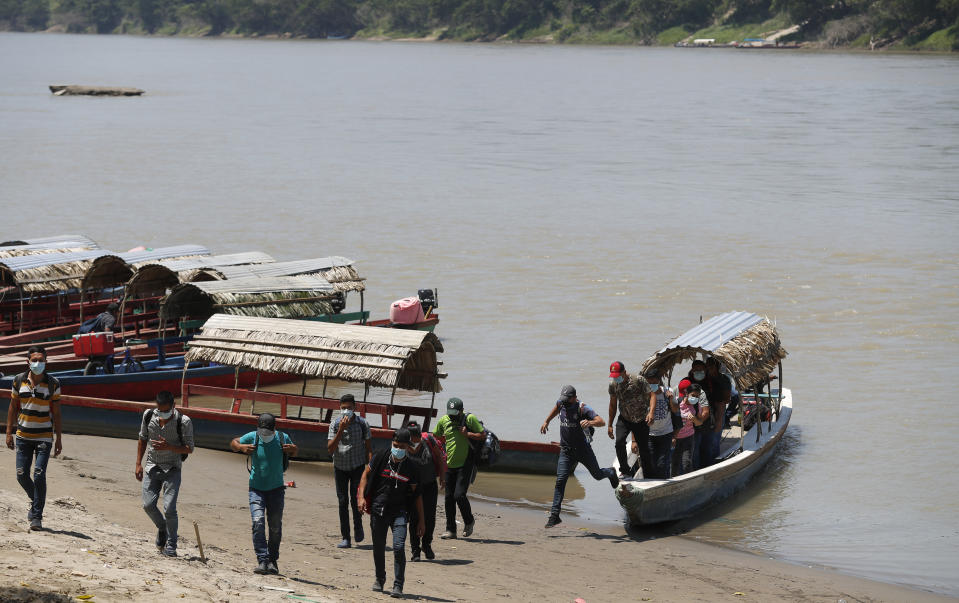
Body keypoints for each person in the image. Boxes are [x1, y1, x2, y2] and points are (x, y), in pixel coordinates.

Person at [358, 428, 425, 598]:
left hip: (399, 513)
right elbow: (365, 475)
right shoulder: (381, 457)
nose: (397, 449)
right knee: (379, 548)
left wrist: (421, 521)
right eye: (395, 445)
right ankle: (380, 579)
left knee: (398, 546)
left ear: (408, 447)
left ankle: (398, 585)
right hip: (378, 510)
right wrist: (361, 497)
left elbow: (417, 497)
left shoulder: (411, 468)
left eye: (401, 446)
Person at [540, 385, 618, 528]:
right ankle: (554, 515)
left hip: (583, 450)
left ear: (574, 398)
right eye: (563, 399)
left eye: (567, 400)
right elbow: (556, 408)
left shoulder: (582, 408)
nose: (564, 402)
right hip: (566, 451)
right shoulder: (561, 403)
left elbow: (601, 421)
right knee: (560, 481)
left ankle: (611, 472)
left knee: (598, 475)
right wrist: (547, 421)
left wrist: (590, 422)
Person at [231, 413, 298, 575]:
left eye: (268, 432)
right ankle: (262, 560)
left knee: (275, 527)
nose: (264, 435)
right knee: (258, 522)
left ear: (274, 429)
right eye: (262, 432)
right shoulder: (253, 437)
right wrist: (240, 447)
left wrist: (294, 449)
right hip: (256, 489)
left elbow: (294, 451)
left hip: (276, 489)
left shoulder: (282, 437)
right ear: (258, 429)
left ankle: (273, 561)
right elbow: (233, 442)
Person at [5, 345, 62, 531]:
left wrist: (59, 438)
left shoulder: (53, 383)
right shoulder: (18, 381)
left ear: (46, 361)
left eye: (41, 360)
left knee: (39, 474)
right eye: (34, 360)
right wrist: (8, 432)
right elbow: (13, 407)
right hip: (22, 435)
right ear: (28, 362)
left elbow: (57, 413)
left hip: (44, 436)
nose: (38, 363)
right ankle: (35, 499)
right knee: (21, 475)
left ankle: (37, 516)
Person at [135, 390, 194, 556]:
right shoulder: (148, 416)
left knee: (169, 508)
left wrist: (169, 447)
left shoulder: (183, 421)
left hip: (173, 468)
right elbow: (142, 438)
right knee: (148, 505)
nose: (163, 414)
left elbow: (189, 448)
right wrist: (138, 464)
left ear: (174, 406)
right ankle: (162, 528)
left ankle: (171, 546)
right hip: (152, 466)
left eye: (166, 410)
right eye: (160, 410)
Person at [432, 397, 485, 539]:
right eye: (450, 413)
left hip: (465, 463)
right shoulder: (444, 420)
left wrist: (467, 434)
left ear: (461, 411)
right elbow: (435, 436)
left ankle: (469, 521)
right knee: (449, 498)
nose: (452, 416)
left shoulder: (470, 419)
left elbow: (482, 435)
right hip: (449, 463)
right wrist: (441, 448)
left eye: (455, 413)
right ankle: (451, 530)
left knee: (459, 495)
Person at [327, 393, 372, 549]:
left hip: (357, 466)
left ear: (355, 408)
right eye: (343, 408)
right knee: (342, 502)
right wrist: (341, 430)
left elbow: (368, 448)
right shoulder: (334, 424)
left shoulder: (362, 424)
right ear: (340, 408)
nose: (346, 411)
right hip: (340, 467)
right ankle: (346, 537)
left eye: (349, 408)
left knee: (355, 499)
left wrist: (369, 468)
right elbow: (330, 449)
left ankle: (358, 527)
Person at [405, 420, 445, 561]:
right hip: (412, 487)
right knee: (414, 517)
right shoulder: (403, 444)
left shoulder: (429, 440)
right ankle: (415, 550)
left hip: (429, 484)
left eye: (416, 440)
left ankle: (426, 545)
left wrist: (443, 476)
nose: (414, 443)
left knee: (430, 517)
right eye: (411, 441)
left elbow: (439, 456)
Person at [606, 361, 652, 479]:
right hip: (624, 419)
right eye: (614, 376)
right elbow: (612, 404)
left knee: (644, 449)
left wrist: (651, 412)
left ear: (624, 372)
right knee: (619, 442)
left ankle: (648, 475)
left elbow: (652, 395)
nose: (616, 379)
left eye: (618, 376)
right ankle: (625, 471)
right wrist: (610, 424)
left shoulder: (639, 380)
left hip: (641, 419)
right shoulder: (613, 385)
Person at [644, 368, 678, 479]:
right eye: (649, 383)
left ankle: (665, 482)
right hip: (649, 435)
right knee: (652, 464)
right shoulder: (644, 395)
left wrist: (671, 399)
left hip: (666, 433)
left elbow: (675, 410)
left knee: (662, 463)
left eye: (654, 382)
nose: (652, 385)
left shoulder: (667, 392)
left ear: (659, 381)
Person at [701, 357, 731, 467]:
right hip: (705, 412)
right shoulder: (704, 379)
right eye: (707, 366)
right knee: (705, 441)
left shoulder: (723, 380)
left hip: (718, 411)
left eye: (711, 366)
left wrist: (719, 419)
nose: (709, 369)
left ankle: (714, 465)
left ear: (717, 367)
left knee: (715, 440)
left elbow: (726, 400)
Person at [671, 383, 703, 477]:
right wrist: (672, 436)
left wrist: (694, 419)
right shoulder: (677, 402)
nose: (695, 398)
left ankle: (688, 480)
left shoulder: (697, 406)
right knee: (674, 462)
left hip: (688, 437)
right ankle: (673, 482)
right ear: (687, 393)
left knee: (687, 463)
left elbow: (699, 423)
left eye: (697, 396)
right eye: (693, 395)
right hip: (675, 438)